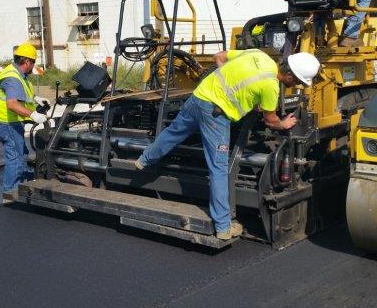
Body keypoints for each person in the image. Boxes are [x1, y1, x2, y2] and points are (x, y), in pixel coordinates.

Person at [136, 49, 320, 241]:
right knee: (219, 168)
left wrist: (228, 87)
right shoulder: (271, 86)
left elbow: (219, 57)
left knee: (173, 132)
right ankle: (223, 227)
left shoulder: (257, 55)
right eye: (297, 81)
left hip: (199, 97)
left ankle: (144, 160)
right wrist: (284, 124)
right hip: (216, 116)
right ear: (290, 75)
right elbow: (270, 121)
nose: (296, 85)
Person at [0, 43, 49, 204]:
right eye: (33, 62)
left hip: (11, 122)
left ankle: (20, 182)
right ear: (27, 61)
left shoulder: (17, 73)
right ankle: (10, 192)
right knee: (15, 157)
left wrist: (36, 98)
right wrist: (33, 114)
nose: (33, 66)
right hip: (7, 123)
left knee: (20, 152)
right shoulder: (13, 78)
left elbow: (22, 94)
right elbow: (12, 103)